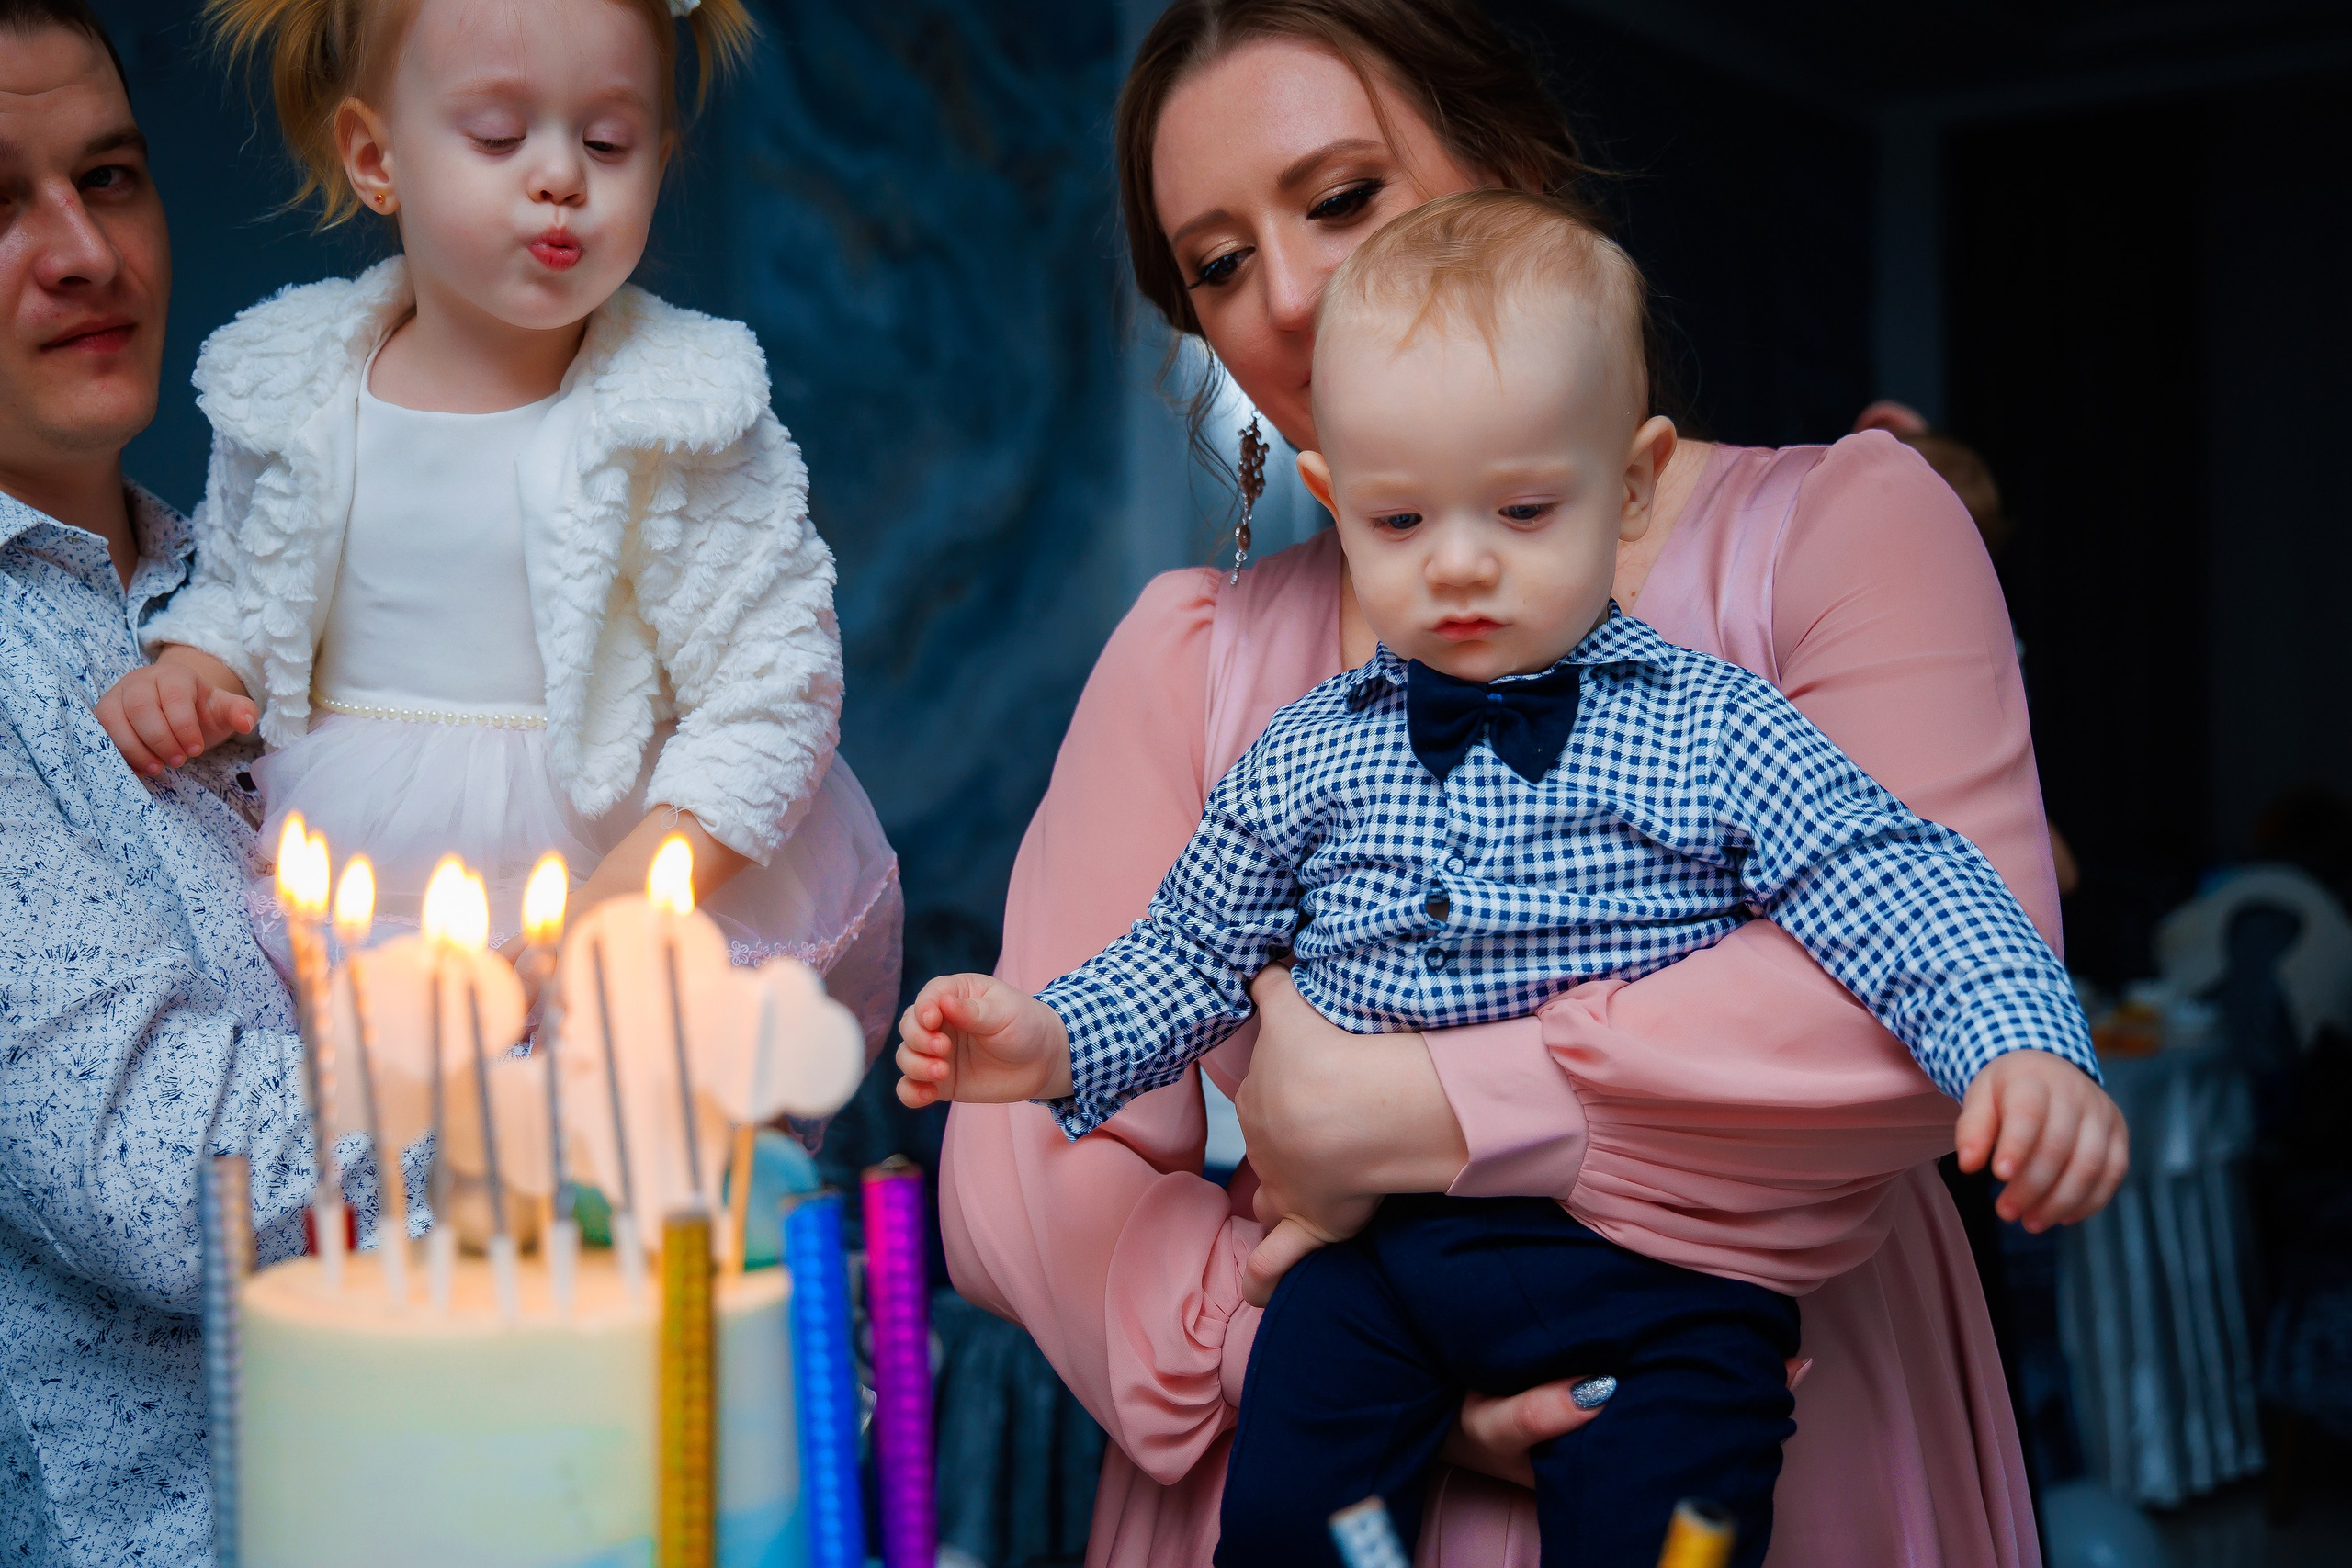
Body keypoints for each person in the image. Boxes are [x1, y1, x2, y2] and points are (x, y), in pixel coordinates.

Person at [936, 3, 2130, 1563]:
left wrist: (1419, 1109)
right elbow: (1020, 1166)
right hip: (1315, 1417)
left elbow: (1906, 1000)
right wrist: (1310, 1359)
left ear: (1506, 162)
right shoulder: (1198, 661)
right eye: (1216, 264)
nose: (1290, 297)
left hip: (1775, 1404)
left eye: (1344, 196)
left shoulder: (1837, 547)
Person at [94, 0, 900, 1042]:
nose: (562, 174)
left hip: (608, 864)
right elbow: (253, 595)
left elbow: (774, 685)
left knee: (608, 1171)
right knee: (392, 1160)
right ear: (375, 157)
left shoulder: (679, 413)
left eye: (608, 142)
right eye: (498, 136)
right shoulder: (292, 384)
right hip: (360, 865)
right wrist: (195, 672)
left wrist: (629, 902)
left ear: (661, 158)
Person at [0, 4, 348, 1558]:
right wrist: (579, 1059)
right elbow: (166, 1163)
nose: (84, 252)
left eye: (112, 176)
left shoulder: (273, 574)